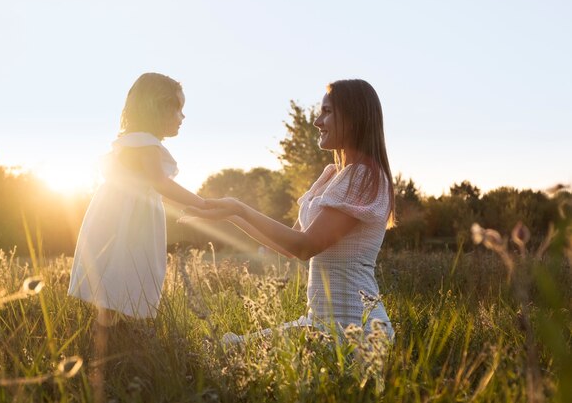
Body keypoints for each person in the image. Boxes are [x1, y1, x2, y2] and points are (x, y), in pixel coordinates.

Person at [186, 79, 396, 339]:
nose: (317, 121)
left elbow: (304, 247)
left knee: (230, 351)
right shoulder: (333, 177)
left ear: (354, 118)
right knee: (229, 348)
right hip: (321, 324)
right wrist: (233, 215)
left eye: (327, 112)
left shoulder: (363, 178)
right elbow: (289, 246)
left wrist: (240, 208)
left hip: (355, 331)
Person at [68, 72, 209, 326]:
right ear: (158, 109)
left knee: (115, 273)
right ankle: (128, 335)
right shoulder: (147, 144)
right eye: (178, 109)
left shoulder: (132, 141)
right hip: (131, 221)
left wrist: (185, 206)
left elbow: (150, 188)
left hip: (115, 213)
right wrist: (201, 204)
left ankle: (110, 331)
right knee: (132, 271)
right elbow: (160, 183)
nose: (183, 117)